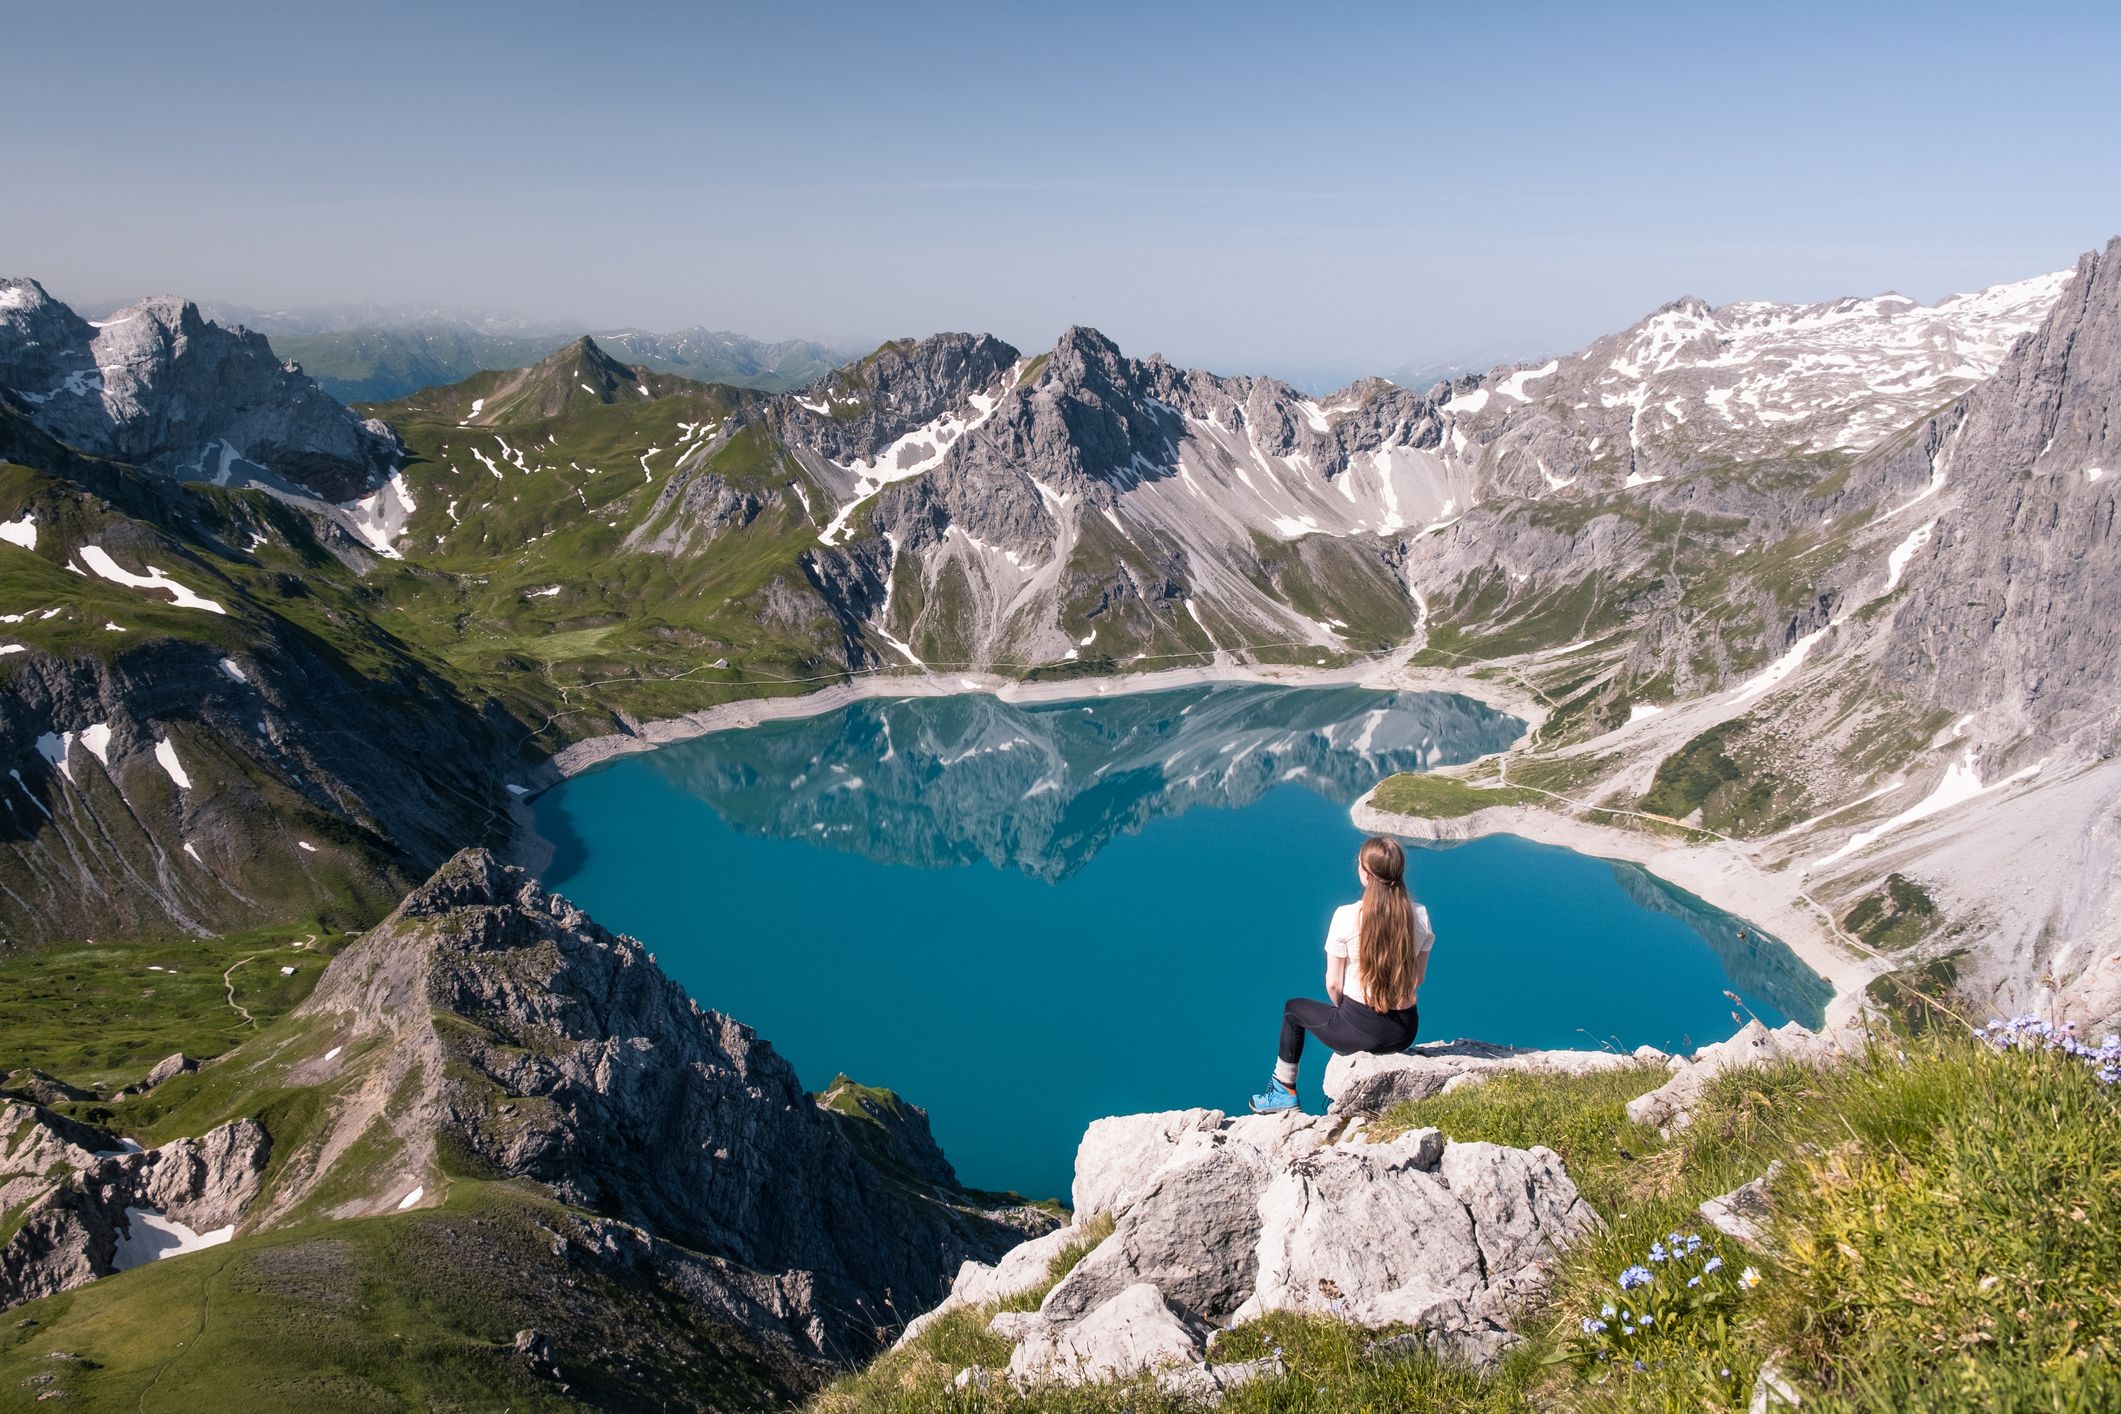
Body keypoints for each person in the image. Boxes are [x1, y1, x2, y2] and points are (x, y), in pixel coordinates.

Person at [1249, 835, 1431, 1114]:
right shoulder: (1420, 915)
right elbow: (1417, 979)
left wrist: (1346, 1017)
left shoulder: (1346, 916)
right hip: (1405, 1031)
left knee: (1292, 1011)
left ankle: (1283, 1091)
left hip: (1359, 1031)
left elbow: (1333, 983)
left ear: (1366, 874)